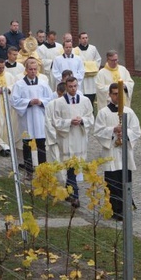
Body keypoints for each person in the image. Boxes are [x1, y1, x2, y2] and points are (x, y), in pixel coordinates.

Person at [93, 82, 141, 220]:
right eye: (115, 94)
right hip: (111, 152)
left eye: (120, 94)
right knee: (112, 182)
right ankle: (115, 209)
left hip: (125, 151)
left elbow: (137, 131)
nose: (117, 97)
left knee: (125, 180)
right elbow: (97, 132)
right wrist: (113, 131)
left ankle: (126, 207)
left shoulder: (129, 112)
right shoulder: (103, 113)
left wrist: (125, 134)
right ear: (109, 95)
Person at [50, 77, 94, 208]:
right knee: (70, 167)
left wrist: (82, 121)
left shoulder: (85, 101)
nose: (73, 89)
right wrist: (69, 122)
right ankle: (75, 195)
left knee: (75, 167)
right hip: (67, 138)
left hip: (79, 137)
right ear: (66, 87)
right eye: (70, 87)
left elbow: (91, 117)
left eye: (75, 86)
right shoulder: (59, 102)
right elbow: (55, 121)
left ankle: (69, 192)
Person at [11, 59, 54, 176]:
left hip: (39, 117)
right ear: (26, 70)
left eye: (35, 69)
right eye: (30, 69)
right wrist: (29, 102)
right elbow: (14, 100)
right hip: (27, 118)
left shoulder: (43, 84)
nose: (33, 71)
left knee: (41, 144)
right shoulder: (19, 85)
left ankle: (43, 170)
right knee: (27, 145)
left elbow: (51, 99)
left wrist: (41, 101)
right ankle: (29, 171)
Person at [73, 32, 101, 105]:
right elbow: (74, 63)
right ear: (79, 39)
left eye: (86, 38)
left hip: (92, 77)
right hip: (82, 78)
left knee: (91, 98)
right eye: (83, 38)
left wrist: (92, 67)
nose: (85, 40)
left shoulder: (93, 48)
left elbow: (98, 60)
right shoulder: (75, 50)